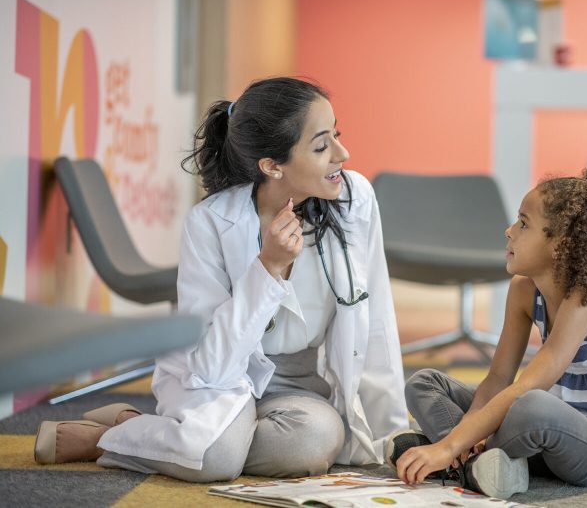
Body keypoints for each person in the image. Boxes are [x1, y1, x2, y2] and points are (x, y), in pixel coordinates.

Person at [34, 77, 408, 481]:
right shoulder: (210, 222)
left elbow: (377, 324)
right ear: (271, 165)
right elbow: (211, 366)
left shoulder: (355, 201)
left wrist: (394, 435)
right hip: (218, 375)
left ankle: (156, 436)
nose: (343, 153)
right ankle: (115, 438)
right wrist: (267, 269)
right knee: (215, 460)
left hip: (297, 384)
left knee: (314, 441)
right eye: (321, 146)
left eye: (337, 134)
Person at [385, 166, 587, 499]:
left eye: (523, 223)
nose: (508, 231)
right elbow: (498, 378)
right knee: (425, 383)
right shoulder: (523, 290)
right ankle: (481, 463)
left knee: (531, 405)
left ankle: (459, 461)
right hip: (555, 431)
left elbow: (528, 388)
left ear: (562, 245)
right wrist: (463, 434)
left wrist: (447, 444)